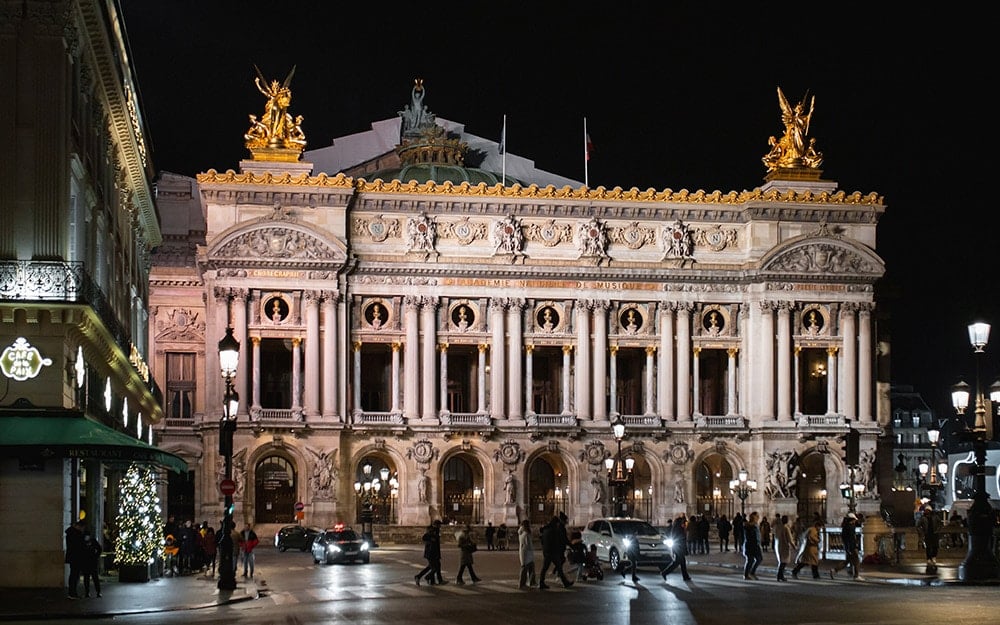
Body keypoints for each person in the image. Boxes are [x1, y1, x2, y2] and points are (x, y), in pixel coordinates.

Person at [538, 513, 572, 589]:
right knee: (558, 568)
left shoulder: (545, 530)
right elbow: (558, 541)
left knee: (545, 568)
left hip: (547, 552)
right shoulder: (554, 531)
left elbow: (542, 541)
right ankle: (565, 582)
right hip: (553, 552)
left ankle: (541, 582)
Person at [659, 515, 691, 581]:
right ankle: (665, 573)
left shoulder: (676, 528)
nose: (684, 523)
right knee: (677, 563)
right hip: (679, 549)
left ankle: (685, 576)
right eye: (683, 522)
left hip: (678, 548)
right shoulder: (679, 529)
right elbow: (681, 540)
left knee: (681, 563)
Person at [830, 512, 861, 579]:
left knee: (847, 561)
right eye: (854, 520)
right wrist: (854, 547)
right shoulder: (851, 528)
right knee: (856, 561)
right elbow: (852, 538)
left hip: (848, 547)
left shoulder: (845, 527)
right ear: (852, 520)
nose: (855, 521)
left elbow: (845, 539)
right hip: (852, 547)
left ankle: (835, 570)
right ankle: (856, 575)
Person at [415, 520, 446, 585]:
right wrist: (431, 539)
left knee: (433, 567)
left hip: (434, 552)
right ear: (436, 525)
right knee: (435, 568)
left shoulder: (436, 531)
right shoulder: (432, 530)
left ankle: (433, 581)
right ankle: (426, 577)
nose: (440, 526)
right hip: (431, 553)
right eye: (439, 525)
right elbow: (425, 537)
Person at [64, 520, 87, 598]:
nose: (83, 530)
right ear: (79, 526)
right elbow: (80, 546)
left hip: (73, 557)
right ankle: (72, 593)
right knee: (74, 575)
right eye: (82, 528)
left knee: (74, 574)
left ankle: (72, 592)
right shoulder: (76, 534)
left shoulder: (70, 533)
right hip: (76, 557)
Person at [774, 514, 796, 582]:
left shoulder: (778, 527)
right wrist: (793, 546)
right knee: (783, 561)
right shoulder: (786, 528)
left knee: (781, 561)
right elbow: (789, 538)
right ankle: (780, 575)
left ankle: (780, 575)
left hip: (778, 545)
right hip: (784, 545)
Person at [742, 511, 764, 580]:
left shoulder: (755, 525)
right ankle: (746, 575)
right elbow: (751, 536)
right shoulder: (749, 526)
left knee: (759, 559)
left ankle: (751, 573)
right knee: (750, 560)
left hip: (755, 545)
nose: (758, 518)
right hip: (751, 545)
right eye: (757, 516)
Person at [81, 531, 103, 598]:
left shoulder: (92, 541)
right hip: (86, 562)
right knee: (87, 578)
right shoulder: (83, 542)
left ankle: (98, 592)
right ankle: (87, 592)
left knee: (94, 578)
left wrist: (96, 556)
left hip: (92, 561)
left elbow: (99, 549)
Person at [517, 519, 537, 589]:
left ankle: (532, 582)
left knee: (531, 568)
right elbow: (526, 545)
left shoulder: (522, 533)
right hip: (526, 554)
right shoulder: (526, 534)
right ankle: (522, 584)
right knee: (525, 568)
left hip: (527, 553)